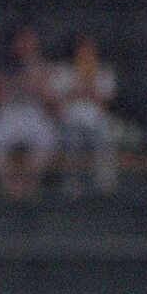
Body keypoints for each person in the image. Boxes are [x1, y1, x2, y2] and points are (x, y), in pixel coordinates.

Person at [0, 22, 58, 200]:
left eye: (30, 40)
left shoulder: (40, 64)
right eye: (23, 40)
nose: (27, 44)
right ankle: (9, 183)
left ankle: (30, 183)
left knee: (48, 141)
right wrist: (14, 82)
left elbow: (49, 102)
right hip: (7, 114)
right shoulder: (0, 63)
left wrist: (34, 79)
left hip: (33, 113)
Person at [48, 32, 117, 196]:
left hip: (95, 123)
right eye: (83, 50)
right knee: (72, 141)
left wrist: (89, 84)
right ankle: (72, 188)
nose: (86, 53)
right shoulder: (62, 72)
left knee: (105, 138)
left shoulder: (104, 73)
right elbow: (54, 104)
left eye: (90, 50)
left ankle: (105, 188)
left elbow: (107, 103)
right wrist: (77, 86)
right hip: (69, 123)